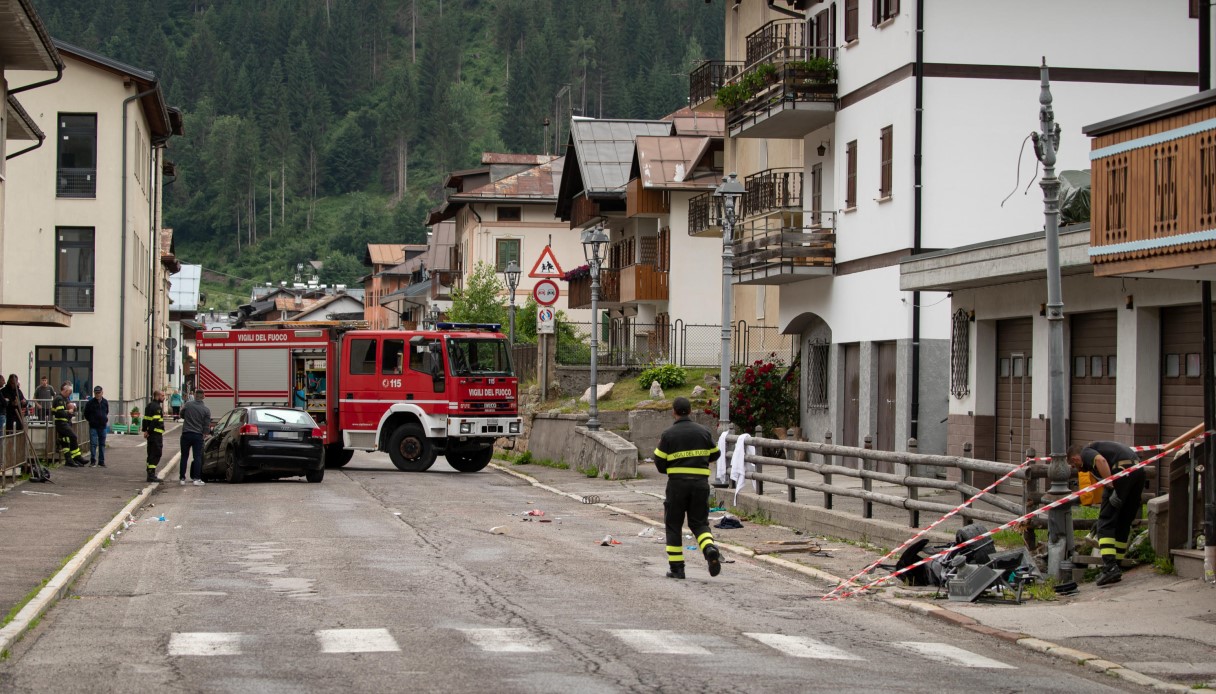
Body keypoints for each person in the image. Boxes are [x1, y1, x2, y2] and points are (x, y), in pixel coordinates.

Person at [653, 397, 722, 580]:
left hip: (677, 485)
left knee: (674, 525)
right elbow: (716, 454)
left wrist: (673, 467)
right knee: (699, 523)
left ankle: (677, 569)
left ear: (674, 412)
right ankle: (709, 548)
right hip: (700, 484)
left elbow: (659, 462)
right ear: (690, 411)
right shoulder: (704, 432)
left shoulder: (668, 434)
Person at [1067, 441, 1147, 587]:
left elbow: (1100, 460)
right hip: (1138, 471)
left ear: (1075, 459)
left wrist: (1111, 486)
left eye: (1074, 466)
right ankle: (1117, 564)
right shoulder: (1104, 448)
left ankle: (1110, 567)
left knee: (1105, 523)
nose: (1077, 469)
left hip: (1121, 472)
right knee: (1123, 521)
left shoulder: (1086, 452)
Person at [179, 389, 211, 486]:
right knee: (197, 457)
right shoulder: (206, 410)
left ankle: (182, 479)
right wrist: (205, 433)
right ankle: (196, 479)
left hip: (186, 433)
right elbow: (206, 425)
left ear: (195, 395)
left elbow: (181, 414)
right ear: (203, 397)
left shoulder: (188, 405)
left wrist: (187, 418)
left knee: (184, 456)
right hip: (197, 435)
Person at [52, 381, 86, 468]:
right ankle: (76, 456)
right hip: (61, 423)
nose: (70, 395)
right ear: (65, 391)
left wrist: (72, 409)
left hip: (65, 422)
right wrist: (69, 412)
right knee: (73, 437)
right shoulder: (59, 399)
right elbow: (60, 413)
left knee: (65, 441)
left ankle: (69, 460)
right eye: (69, 392)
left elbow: (71, 408)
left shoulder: (65, 399)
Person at [142, 389, 166, 483]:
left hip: (151, 435)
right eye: (162, 396)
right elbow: (155, 421)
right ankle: (151, 474)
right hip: (156, 434)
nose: (164, 398)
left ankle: (150, 473)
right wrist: (149, 431)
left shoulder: (149, 406)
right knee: (157, 453)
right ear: (158, 396)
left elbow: (145, 419)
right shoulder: (157, 408)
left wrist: (145, 430)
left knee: (150, 453)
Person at [83, 385, 110, 467]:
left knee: (102, 444)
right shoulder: (90, 403)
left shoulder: (105, 402)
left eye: (99, 393)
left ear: (102, 393)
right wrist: (91, 420)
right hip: (93, 426)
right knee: (93, 444)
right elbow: (86, 413)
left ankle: (101, 461)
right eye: (96, 393)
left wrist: (104, 419)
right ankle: (93, 461)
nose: (97, 395)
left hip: (102, 426)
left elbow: (106, 411)